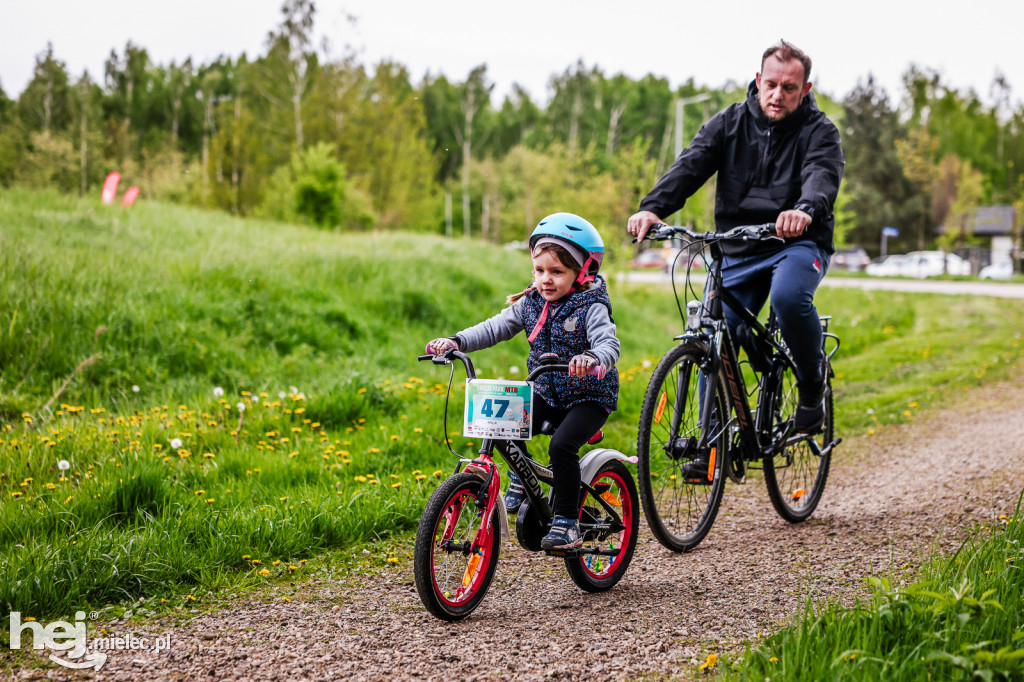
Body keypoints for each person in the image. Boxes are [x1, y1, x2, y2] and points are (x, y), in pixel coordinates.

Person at [627, 39, 844, 445]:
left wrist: (805, 209)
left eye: (790, 88)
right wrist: (653, 208)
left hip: (795, 242)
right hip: (737, 246)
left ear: (806, 90)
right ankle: (712, 442)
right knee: (718, 328)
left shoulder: (820, 132)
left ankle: (811, 383)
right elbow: (691, 164)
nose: (778, 95)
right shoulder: (729, 123)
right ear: (758, 80)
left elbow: (821, 175)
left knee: (788, 298)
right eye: (772, 85)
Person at [426, 212, 620, 551]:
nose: (546, 279)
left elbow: (609, 344)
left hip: (589, 396)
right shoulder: (530, 302)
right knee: (504, 419)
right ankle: (521, 477)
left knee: (562, 446)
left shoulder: (591, 305)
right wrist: (456, 341)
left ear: (582, 271)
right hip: (547, 388)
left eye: (557, 272)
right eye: (539, 270)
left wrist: (592, 359)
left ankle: (567, 522)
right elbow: (493, 328)